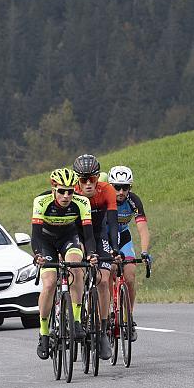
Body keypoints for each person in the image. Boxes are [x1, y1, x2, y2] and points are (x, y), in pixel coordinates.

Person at [31, 168, 98, 360]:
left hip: (69, 238)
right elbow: (35, 235)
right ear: (53, 189)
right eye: (62, 191)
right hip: (46, 242)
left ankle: (76, 320)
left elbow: (88, 234)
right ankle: (44, 333)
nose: (66, 196)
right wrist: (37, 255)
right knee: (50, 283)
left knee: (76, 269)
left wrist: (92, 254)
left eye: (70, 191)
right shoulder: (41, 202)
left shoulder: (81, 202)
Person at [73, 154, 122, 359]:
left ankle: (101, 330)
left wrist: (114, 248)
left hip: (99, 234)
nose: (88, 183)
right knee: (77, 270)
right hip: (77, 234)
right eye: (83, 179)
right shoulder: (71, 193)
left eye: (92, 178)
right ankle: (74, 313)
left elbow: (111, 224)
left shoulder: (107, 190)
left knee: (103, 279)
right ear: (77, 180)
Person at [108, 165, 151, 341]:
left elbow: (143, 229)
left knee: (130, 275)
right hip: (107, 237)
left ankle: (129, 317)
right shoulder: (105, 200)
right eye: (116, 187)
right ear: (110, 186)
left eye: (125, 187)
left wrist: (144, 251)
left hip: (124, 237)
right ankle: (109, 309)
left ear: (130, 188)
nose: (120, 191)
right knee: (109, 270)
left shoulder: (133, 201)